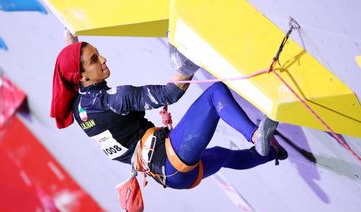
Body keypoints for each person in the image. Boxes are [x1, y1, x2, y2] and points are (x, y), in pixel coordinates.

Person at [50, 32, 287, 190]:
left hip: (170, 177)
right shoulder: (115, 100)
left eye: (97, 53)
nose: (103, 58)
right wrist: (190, 55)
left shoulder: (78, 108)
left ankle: (271, 152)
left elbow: (73, 67)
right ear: (81, 76)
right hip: (171, 157)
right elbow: (170, 94)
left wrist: (72, 44)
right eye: (94, 59)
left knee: (224, 156)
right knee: (215, 94)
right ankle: (256, 136)